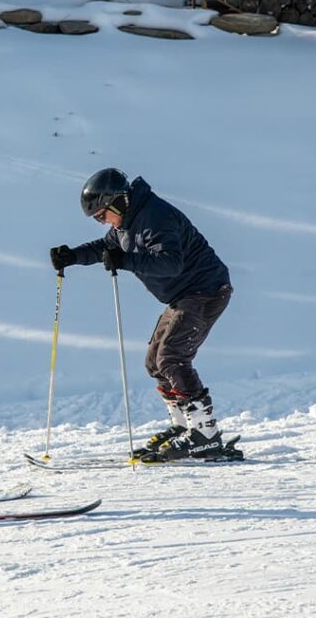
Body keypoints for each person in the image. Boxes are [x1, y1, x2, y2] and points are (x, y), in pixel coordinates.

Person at [49, 168, 238, 461]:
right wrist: (72, 256)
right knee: (155, 362)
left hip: (206, 290)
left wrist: (124, 261)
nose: (102, 222)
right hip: (183, 296)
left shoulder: (155, 218)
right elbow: (107, 247)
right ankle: (183, 427)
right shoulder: (128, 221)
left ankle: (205, 434)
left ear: (118, 202)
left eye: (101, 215)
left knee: (172, 357)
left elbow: (170, 264)